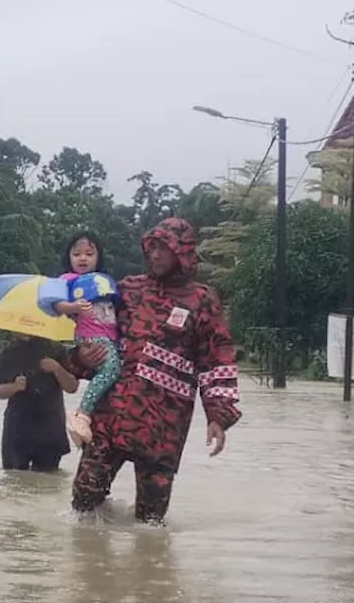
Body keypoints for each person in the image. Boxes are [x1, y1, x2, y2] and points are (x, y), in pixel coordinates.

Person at [70, 218, 241, 523]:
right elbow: (95, 332)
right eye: (152, 248)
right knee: (84, 502)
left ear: (183, 253)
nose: (156, 255)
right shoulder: (126, 290)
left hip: (163, 429)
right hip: (111, 416)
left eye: (165, 248)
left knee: (150, 525)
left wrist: (219, 415)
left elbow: (217, 360)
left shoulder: (203, 301)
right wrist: (82, 357)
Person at [40, 233, 122, 448]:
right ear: (69, 257)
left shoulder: (104, 281)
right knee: (112, 371)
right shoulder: (67, 280)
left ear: (99, 256)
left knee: (112, 371)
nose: (82, 258)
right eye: (76, 254)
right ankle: (83, 413)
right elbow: (56, 305)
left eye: (89, 253)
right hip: (90, 336)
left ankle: (86, 421)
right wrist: (73, 308)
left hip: (110, 337)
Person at [0, 334, 79, 472]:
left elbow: (72, 387)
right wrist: (14, 387)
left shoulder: (57, 350)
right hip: (17, 428)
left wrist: (57, 369)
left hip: (50, 427)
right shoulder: (8, 353)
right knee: (14, 478)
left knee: (48, 482)